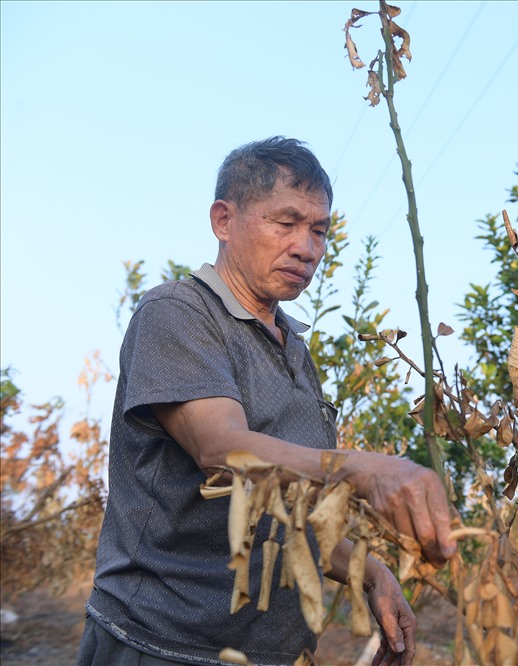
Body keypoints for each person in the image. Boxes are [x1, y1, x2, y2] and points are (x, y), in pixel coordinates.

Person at [78, 137, 455, 666]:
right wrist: (363, 469)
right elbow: (221, 447)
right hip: (164, 645)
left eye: (319, 230)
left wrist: (371, 571)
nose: (308, 247)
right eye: (286, 223)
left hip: (273, 653)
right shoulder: (178, 314)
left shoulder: (293, 348)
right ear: (224, 221)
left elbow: (280, 511)